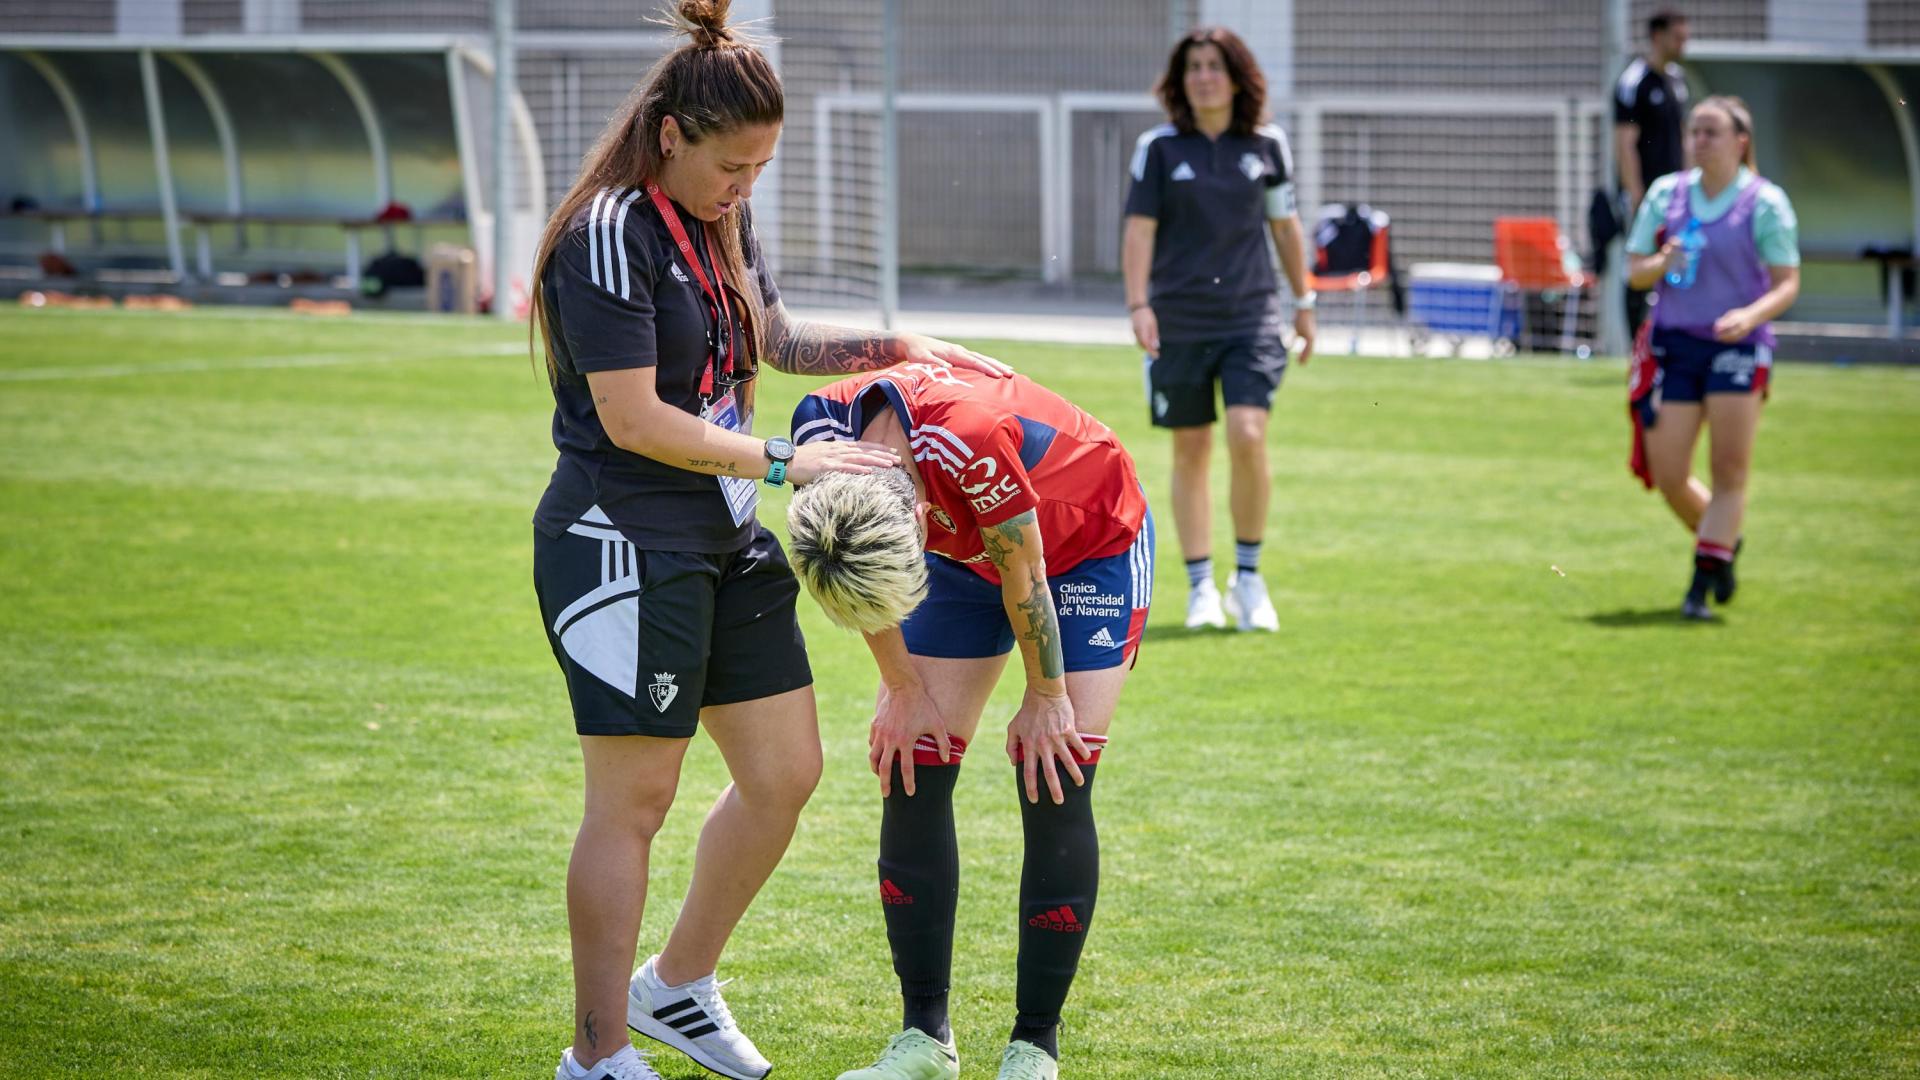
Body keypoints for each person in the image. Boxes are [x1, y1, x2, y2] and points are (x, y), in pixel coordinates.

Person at [526, 4, 1010, 1079]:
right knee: (635, 800)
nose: (743, 188)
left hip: (724, 535)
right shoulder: (610, 231)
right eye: (732, 166)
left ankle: (678, 986)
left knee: (788, 773)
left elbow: (776, 340)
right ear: (672, 137)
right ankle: (596, 1055)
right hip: (624, 541)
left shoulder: (721, 221)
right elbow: (633, 420)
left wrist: (905, 343)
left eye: (760, 170)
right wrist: (792, 464)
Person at [784, 362, 1154, 1080]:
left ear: (921, 520)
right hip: (959, 555)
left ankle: (1034, 1047)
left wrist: (1046, 697)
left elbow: (1027, 574)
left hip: (1085, 546)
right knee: (913, 761)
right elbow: (860, 574)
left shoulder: (970, 438)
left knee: (1055, 767)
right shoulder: (821, 437)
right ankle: (924, 1041)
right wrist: (899, 684)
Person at [1121, 26, 1315, 634]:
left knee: (1248, 432)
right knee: (1191, 447)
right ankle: (1201, 584)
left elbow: (1285, 227)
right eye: (1194, 67)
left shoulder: (1267, 145)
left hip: (1252, 316)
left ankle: (1250, 578)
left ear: (1236, 77)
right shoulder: (1158, 148)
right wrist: (1137, 305)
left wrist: (1305, 302)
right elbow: (1139, 230)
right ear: (1181, 82)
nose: (1204, 76)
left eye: (1215, 65)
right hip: (1178, 317)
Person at [1625, 95, 1799, 620]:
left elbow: (1786, 283)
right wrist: (1661, 261)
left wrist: (1750, 316)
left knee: (1729, 470)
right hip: (1676, 346)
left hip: (1737, 347)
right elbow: (1635, 272)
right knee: (1669, 470)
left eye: (1710, 132)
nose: (1698, 141)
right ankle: (1722, 544)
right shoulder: (1667, 194)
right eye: (1693, 132)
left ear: (1740, 142)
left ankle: (1699, 587)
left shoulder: (1764, 202)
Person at [1615, 8, 1691, 332]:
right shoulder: (1634, 81)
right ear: (1657, 37)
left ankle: (1672, 331)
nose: (1683, 44)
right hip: (1647, 194)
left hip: (1677, 193)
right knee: (1639, 266)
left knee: (1677, 260)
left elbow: (1684, 136)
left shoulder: (1677, 80)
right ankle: (1637, 344)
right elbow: (1624, 142)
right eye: (1678, 37)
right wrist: (1636, 193)